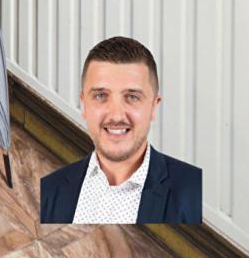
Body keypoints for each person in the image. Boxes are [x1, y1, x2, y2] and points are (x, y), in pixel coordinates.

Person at [39, 36, 202, 224]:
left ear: (154, 107)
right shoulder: (48, 190)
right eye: (101, 95)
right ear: (84, 105)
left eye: (132, 97)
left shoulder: (195, 192)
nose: (116, 116)